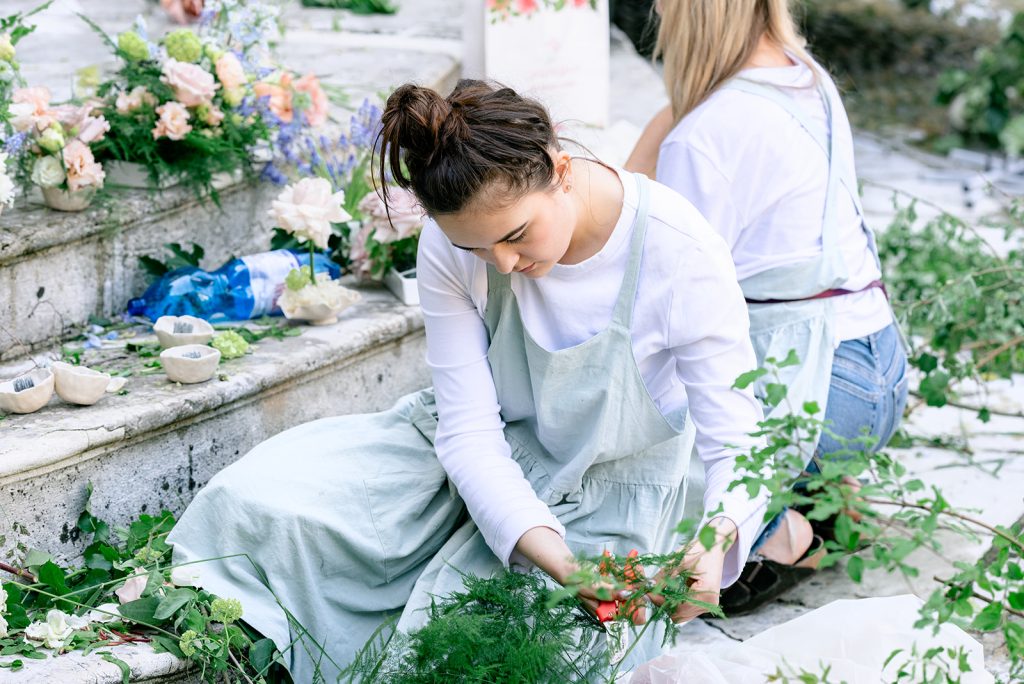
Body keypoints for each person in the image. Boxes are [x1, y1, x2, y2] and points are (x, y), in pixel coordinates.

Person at [169, 79, 771, 681]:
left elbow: (743, 444)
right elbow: (468, 434)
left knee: (479, 659)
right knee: (257, 503)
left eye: (515, 235)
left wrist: (717, 539)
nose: (504, 264)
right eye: (478, 248)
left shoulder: (679, 253)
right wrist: (557, 562)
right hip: (468, 461)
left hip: (604, 502)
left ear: (560, 170)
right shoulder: (451, 245)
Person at [626, 0, 909, 614]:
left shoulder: (704, 135)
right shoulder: (805, 74)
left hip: (822, 391)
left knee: (639, 430)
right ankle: (828, 483)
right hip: (881, 368)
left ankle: (785, 532)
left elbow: (660, 291)